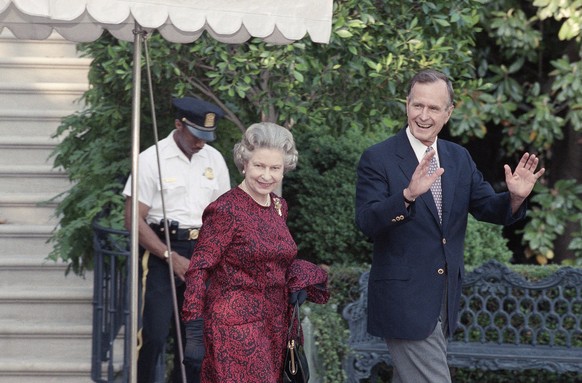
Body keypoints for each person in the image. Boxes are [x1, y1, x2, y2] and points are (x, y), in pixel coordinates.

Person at [355, 69, 545, 383]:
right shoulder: (378, 158)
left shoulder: (459, 158)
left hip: (444, 301)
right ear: (407, 105)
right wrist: (406, 196)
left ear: (449, 113)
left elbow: (486, 206)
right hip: (404, 302)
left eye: (433, 108)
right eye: (418, 105)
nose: (424, 115)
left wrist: (513, 197)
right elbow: (367, 221)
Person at [181, 122, 330, 383]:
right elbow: (199, 268)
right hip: (234, 328)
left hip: (274, 326)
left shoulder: (279, 206)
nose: (266, 175)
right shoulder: (226, 209)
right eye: (259, 166)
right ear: (244, 164)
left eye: (275, 168)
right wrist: (194, 329)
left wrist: (298, 280)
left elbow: (277, 257)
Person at [123, 96, 231, 383]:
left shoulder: (214, 159)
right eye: (196, 135)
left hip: (202, 252)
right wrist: (171, 258)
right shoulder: (151, 159)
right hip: (162, 251)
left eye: (206, 136)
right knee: (154, 338)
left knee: (196, 345)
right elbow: (134, 220)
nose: (201, 142)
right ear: (178, 124)